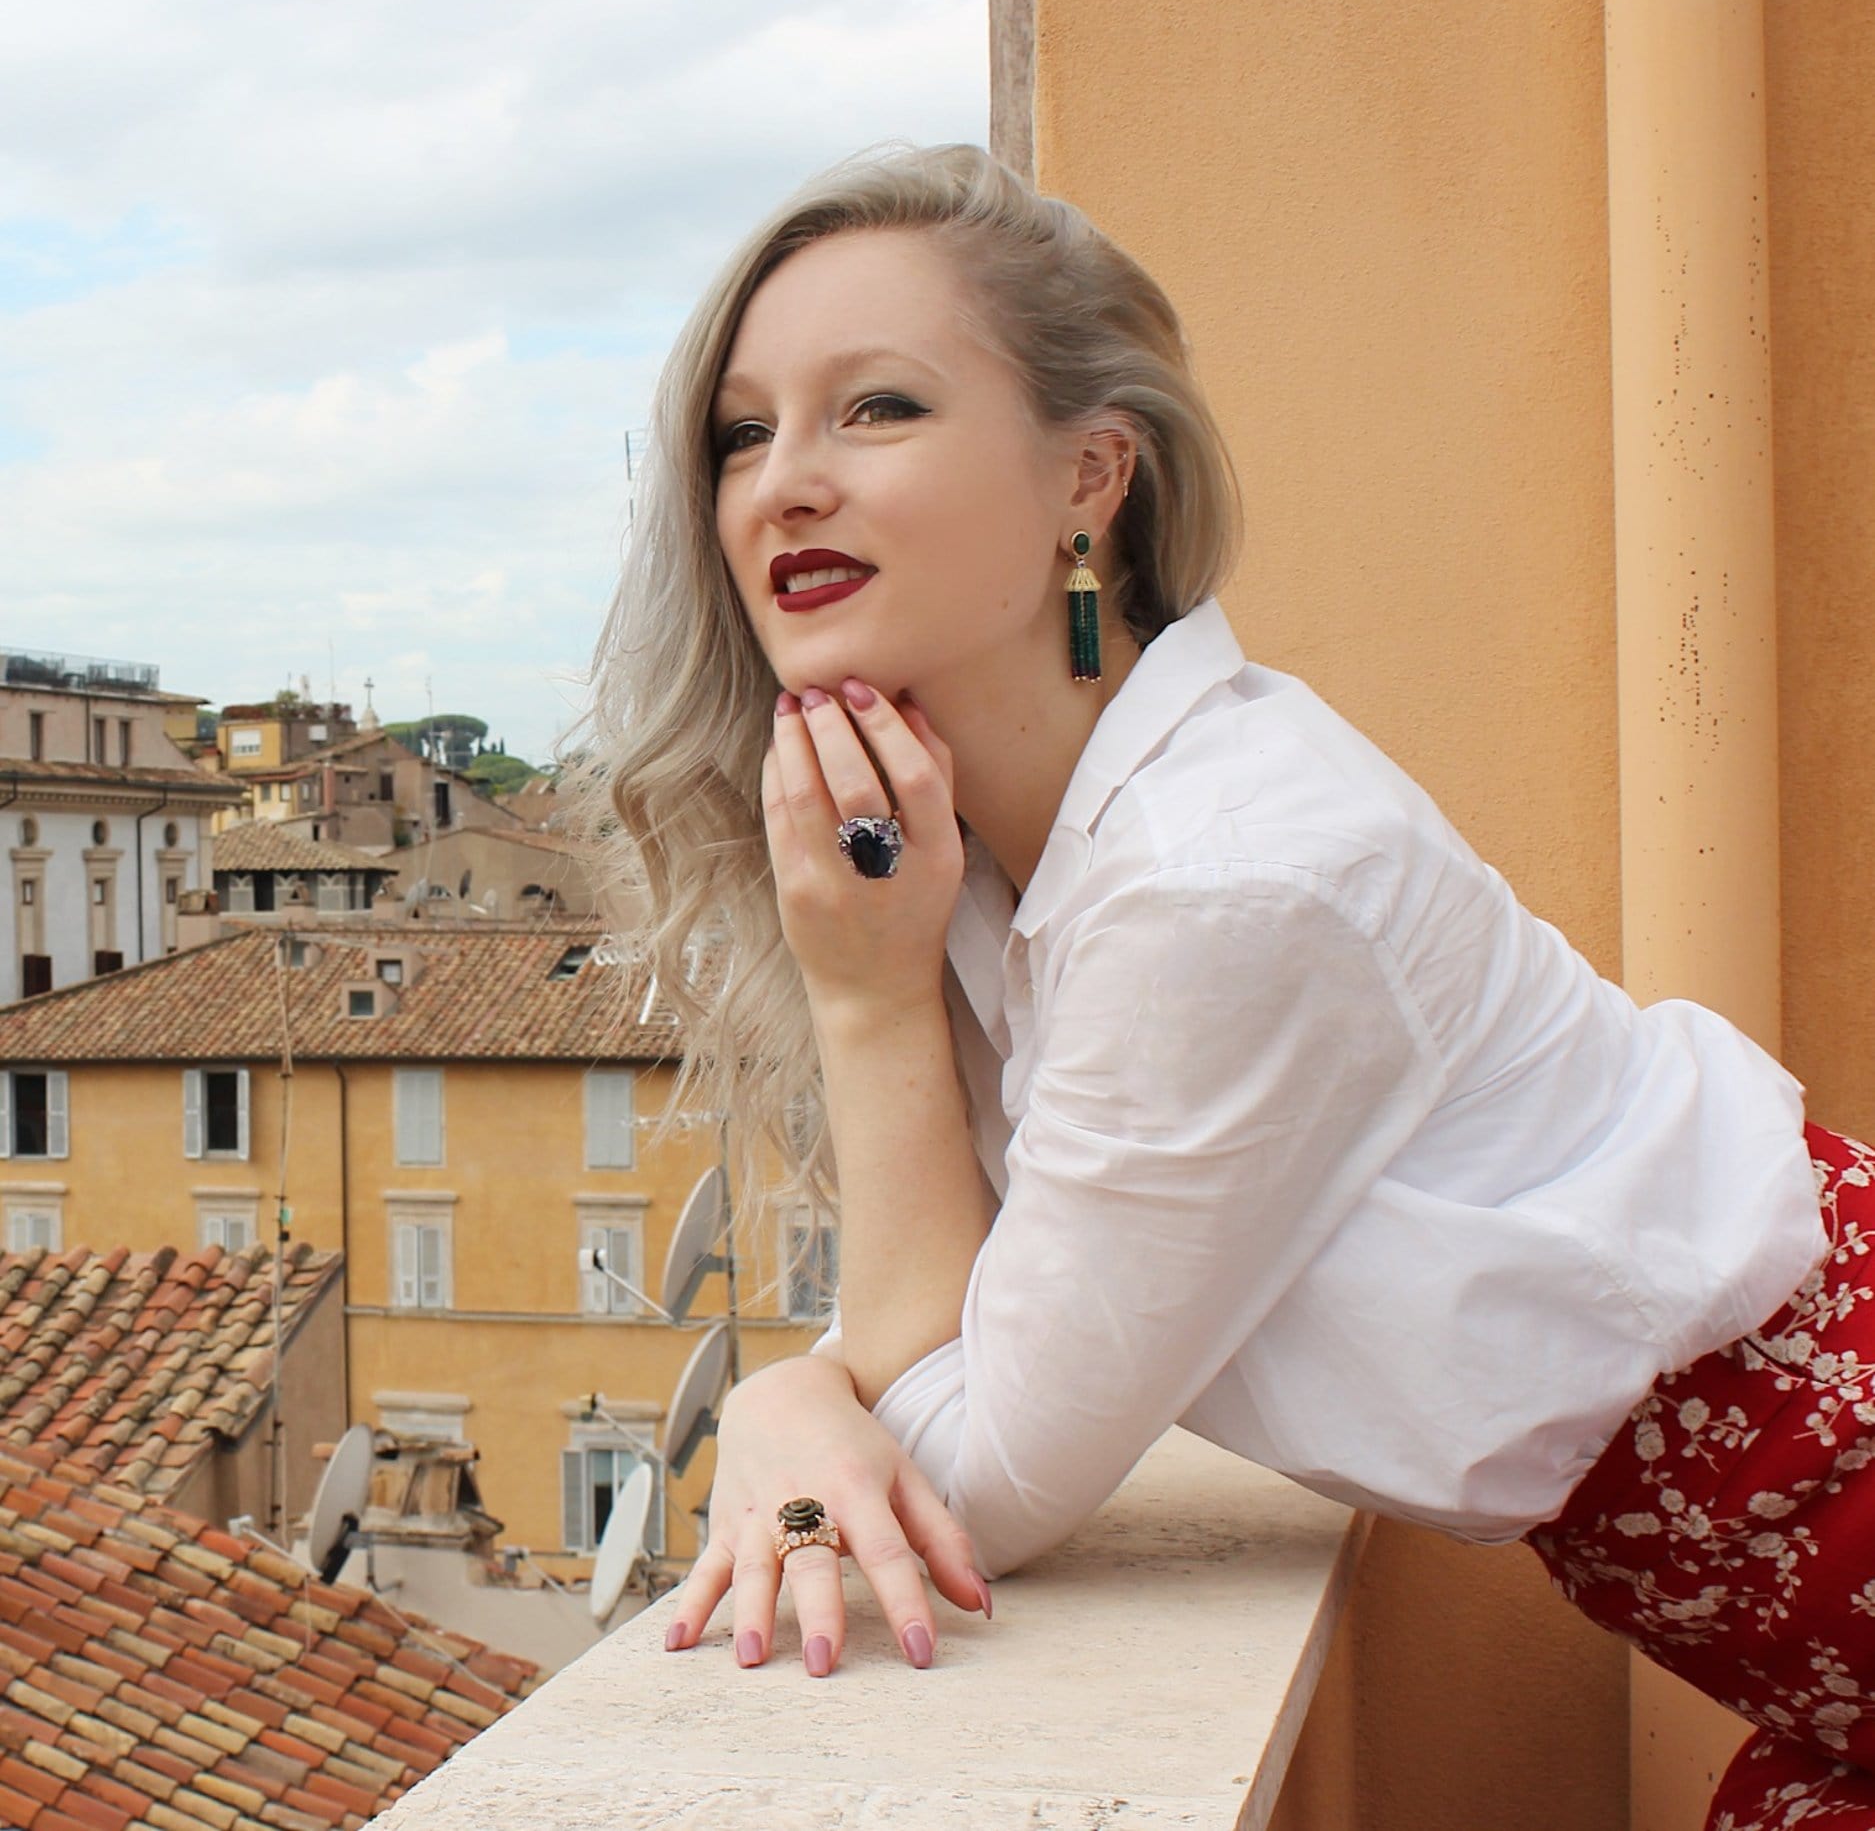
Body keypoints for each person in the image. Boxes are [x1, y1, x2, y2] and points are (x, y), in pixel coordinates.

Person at [570, 141, 1875, 1830]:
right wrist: (792, 1392)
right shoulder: (999, 863)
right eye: (742, 434)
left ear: (1089, 476)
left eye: (875, 408)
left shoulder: (1223, 877)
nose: (783, 488)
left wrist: (867, 1016)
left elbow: (981, 1476)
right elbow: (965, 1318)